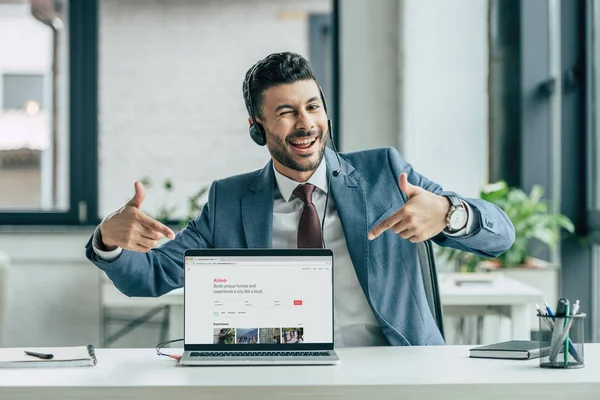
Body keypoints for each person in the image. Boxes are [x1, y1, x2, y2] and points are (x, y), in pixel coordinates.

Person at [85, 51, 515, 347]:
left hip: (393, 367)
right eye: (286, 112)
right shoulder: (230, 200)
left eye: (312, 107)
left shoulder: (384, 172)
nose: (305, 123)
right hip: (279, 373)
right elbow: (152, 275)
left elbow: (501, 235)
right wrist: (108, 239)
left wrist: (449, 213)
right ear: (258, 127)